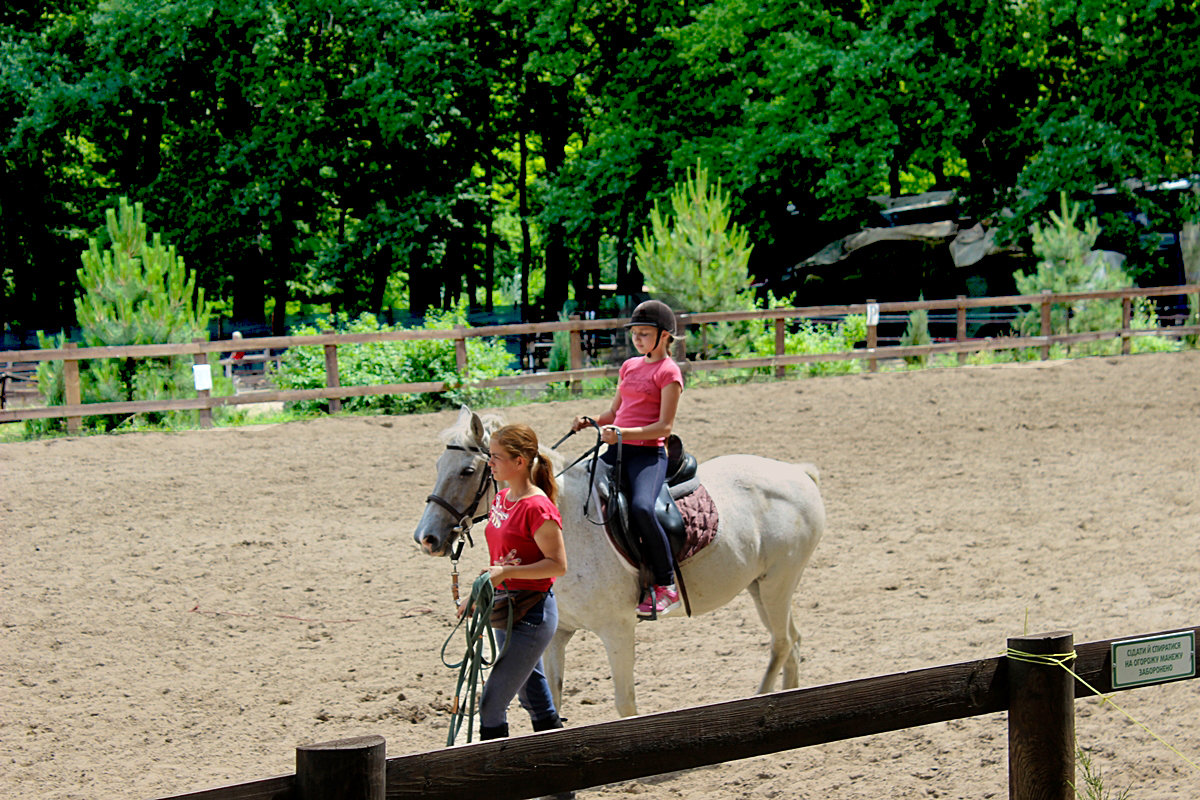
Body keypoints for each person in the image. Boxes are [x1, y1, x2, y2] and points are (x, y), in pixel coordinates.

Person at [572, 299, 684, 617]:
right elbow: (614, 412)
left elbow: (665, 426)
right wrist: (590, 420)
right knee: (579, 486)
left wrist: (622, 435)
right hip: (616, 449)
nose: (637, 338)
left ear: (664, 336)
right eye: (635, 333)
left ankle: (666, 585)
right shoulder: (630, 366)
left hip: (648, 455)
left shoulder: (669, 372)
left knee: (642, 508)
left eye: (644, 333)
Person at [469, 423, 569, 740]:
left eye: (496, 457)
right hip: (505, 608)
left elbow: (558, 565)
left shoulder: (538, 508)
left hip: (530, 615)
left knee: (490, 705)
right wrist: (480, 592)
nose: (490, 462)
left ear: (519, 462)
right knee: (533, 696)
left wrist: (507, 573)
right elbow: (503, 558)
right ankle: (560, 784)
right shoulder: (501, 498)